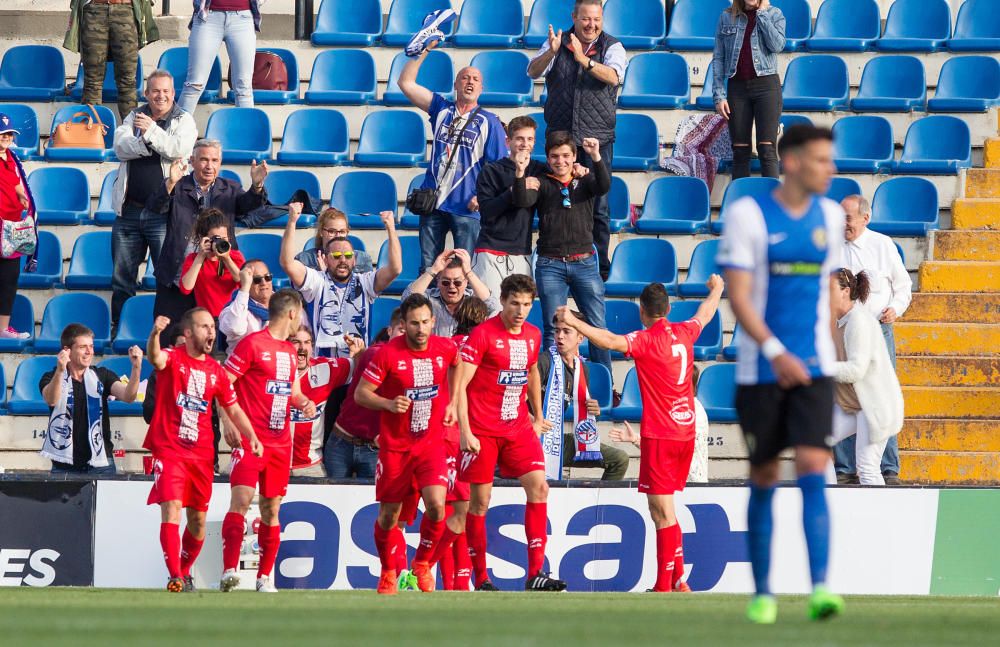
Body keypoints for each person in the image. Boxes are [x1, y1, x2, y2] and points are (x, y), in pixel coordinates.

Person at [716, 124, 845, 623]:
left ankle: (820, 589)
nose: (829, 170)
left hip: (814, 369)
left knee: (814, 468)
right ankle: (763, 592)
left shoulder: (831, 217)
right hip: (761, 371)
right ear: (791, 162)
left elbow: (824, 298)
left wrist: (825, 359)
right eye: (820, 160)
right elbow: (741, 297)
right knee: (765, 474)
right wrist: (774, 351)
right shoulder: (749, 214)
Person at [557, 276, 724, 593]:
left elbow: (607, 340)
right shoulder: (685, 332)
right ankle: (678, 580)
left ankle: (663, 587)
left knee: (660, 512)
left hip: (661, 435)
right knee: (668, 509)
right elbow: (705, 312)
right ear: (669, 309)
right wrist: (717, 289)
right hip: (685, 432)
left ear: (642, 312)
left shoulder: (646, 340)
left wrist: (570, 319)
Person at [456, 274, 567, 592]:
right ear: (502, 301)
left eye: (527, 304)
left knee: (540, 487)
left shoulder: (533, 335)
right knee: (479, 503)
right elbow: (459, 385)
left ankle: (535, 574)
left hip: (517, 427)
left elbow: (532, 371)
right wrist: (465, 430)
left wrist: (538, 413)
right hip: (482, 428)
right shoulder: (482, 335)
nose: (521, 310)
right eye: (515, 303)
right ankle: (481, 578)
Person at [144, 309, 261, 593]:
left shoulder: (216, 371)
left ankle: (183, 574)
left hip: (201, 455)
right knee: (171, 509)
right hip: (170, 449)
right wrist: (155, 334)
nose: (211, 332)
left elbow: (232, 407)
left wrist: (252, 436)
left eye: (213, 326)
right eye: (204, 327)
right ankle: (174, 575)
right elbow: (155, 358)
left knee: (197, 522)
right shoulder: (173, 358)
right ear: (188, 333)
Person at [354, 293, 460, 594]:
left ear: (433, 321)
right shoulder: (388, 353)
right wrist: (387, 404)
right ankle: (388, 570)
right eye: (414, 323)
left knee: (438, 507)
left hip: (431, 444)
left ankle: (422, 564)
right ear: (404, 324)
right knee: (389, 516)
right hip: (396, 447)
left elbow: (458, 363)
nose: (421, 329)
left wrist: (453, 400)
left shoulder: (444, 347)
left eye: (426, 322)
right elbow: (362, 393)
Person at [220, 289, 317, 594]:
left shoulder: (289, 352)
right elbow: (223, 383)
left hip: (280, 444)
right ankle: (229, 572)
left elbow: (292, 391)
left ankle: (265, 577)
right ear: (291, 313)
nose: (300, 319)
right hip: (252, 440)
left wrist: (304, 402)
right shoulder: (252, 344)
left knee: (271, 509)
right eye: (300, 313)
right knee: (242, 499)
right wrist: (226, 421)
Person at [527, 0, 628, 279]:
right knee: (556, 200)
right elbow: (532, 71)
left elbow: (614, 76)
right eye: (585, 19)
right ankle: (556, 260)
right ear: (574, 17)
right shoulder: (558, 41)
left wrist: (585, 61)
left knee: (599, 205)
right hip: (561, 139)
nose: (591, 25)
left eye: (596, 20)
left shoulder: (613, 46)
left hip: (597, 138)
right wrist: (552, 53)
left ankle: (599, 268)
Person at [397, 49, 508, 273]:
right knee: (429, 267)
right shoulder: (441, 109)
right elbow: (406, 83)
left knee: (465, 271)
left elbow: (500, 167)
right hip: (433, 203)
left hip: (466, 206)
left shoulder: (489, 122)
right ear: (456, 84)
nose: (470, 82)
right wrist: (424, 50)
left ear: (481, 89)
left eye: (476, 79)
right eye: (465, 77)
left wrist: (483, 196)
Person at [514, 132, 612, 375]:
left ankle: (604, 385)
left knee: (597, 325)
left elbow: (604, 185)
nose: (561, 161)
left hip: (585, 263)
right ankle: (552, 386)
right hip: (550, 265)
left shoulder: (585, 179)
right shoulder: (542, 181)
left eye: (566, 156)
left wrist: (596, 157)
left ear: (574, 156)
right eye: (555, 157)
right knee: (553, 327)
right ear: (548, 159)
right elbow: (522, 199)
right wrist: (520, 175)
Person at [111, 70, 198, 332]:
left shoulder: (184, 120)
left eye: (166, 91)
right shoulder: (134, 116)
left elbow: (178, 149)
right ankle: (120, 326)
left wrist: (149, 134)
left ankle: (172, 331)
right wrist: (148, 142)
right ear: (146, 94)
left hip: (165, 213)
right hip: (129, 211)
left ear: (173, 94)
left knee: (169, 276)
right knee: (122, 277)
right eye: (155, 91)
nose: (160, 96)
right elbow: (119, 147)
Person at [149, 139, 269, 324]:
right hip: (177, 275)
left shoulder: (230, 188)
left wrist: (257, 187)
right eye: (204, 160)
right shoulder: (178, 185)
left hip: (215, 281)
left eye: (214, 160)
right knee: (171, 336)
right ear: (192, 161)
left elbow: (248, 207)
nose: (209, 166)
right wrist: (170, 183)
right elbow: (156, 207)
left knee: (213, 339)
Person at [837, 194, 911, 485]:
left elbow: (903, 285)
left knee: (881, 395)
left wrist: (897, 309)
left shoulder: (882, 245)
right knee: (844, 396)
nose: (843, 224)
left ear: (865, 218)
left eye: (848, 218)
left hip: (878, 330)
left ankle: (888, 466)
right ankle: (844, 467)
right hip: (842, 329)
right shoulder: (832, 246)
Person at [281, 204, 401, 357]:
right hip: (324, 363)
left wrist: (391, 228)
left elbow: (395, 268)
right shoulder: (317, 281)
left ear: (355, 259)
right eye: (336, 256)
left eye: (348, 256)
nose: (343, 260)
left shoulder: (366, 282)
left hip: (356, 360)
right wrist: (292, 222)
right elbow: (287, 263)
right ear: (326, 258)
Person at [828, 269, 904, 486]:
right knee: (814, 441)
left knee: (868, 467)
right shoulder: (836, 321)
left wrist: (821, 368)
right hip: (853, 405)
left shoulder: (859, 321)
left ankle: (882, 518)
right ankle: (826, 500)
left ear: (845, 291)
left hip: (876, 406)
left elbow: (856, 370)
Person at [536, 311, 629, 481]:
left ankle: (602, 507)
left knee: (619, 459)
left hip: (556, 442)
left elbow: (583, 410)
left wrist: (594, 412)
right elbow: (513, 401)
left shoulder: (581, 368)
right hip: (531, 440)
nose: (560, 337)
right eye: (557, 331)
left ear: (581, 338)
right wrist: (532, 419)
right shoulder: (544, 361)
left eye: (566, 331)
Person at [40, 324, 143, 476]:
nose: (89, 352)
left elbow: (128, 396)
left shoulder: (102, 375)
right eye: (83, 347)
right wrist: (61, 371)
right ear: (66, 350)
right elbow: (51, 400)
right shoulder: (51, 377)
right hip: (65, 465)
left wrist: (136, 368)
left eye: (91, 346)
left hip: (101, 463)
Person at [473, 116, 547, 298]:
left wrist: (578, 169)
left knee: (518, 314)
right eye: (520, 138)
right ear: (508, 141)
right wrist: (515, 187)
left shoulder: (540, 170)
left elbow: (526, 201)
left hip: (521, 252)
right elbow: (487, 212)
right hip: (489, 250)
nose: (524, 144)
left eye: (530, 139)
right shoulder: (491, 170)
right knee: (490, 310)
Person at [712, 0, 786, 179]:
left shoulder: (775, 14)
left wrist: (762, 14)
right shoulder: (727, 16)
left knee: (767, 148)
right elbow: (718, 58)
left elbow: (777, 46)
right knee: (740, 150)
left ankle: (772, 205)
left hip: (766, 86)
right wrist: (719, 95)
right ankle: (739, 202)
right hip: (737, 89)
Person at [329, 310, 405, 479]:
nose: (403, 336)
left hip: (373, 448)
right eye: (401, 330)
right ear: (389, 331)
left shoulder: (410, 363)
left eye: (408, 333)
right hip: (342, 442)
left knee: (372, 503)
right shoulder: (375, 353)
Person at [613, 364, 711, 484]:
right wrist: (636, 439)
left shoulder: (693, 412)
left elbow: (670, 447)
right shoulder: (675, 407)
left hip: (689, 484)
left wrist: (640, 440)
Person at [289, 325, 363, 478]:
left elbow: (361, 368)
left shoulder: (326, 369)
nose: (302, 347)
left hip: (310, 466)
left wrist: (359, 352)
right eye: (296, 342)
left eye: (307, 342)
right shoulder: (271, 369)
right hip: (273, 464)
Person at [64, 0, 159, 119]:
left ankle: (131, 133)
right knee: (92, 82)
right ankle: (90, 132)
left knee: (127, 81)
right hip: (94, 9)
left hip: (126, 9)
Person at [177, 0, 263, 113]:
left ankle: (247, 130)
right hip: (207, 17)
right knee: (194, 84)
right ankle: (176, 130)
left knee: (244, 86)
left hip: (243, 18)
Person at [403, 249, 500, 337]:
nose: (452, 286)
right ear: (438, 281)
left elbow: (493, 306)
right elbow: (407, 299)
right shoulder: (428, 299)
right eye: (446, 282)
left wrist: (469, 273)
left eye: (457, 282)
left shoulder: (473, 300)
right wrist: (433, 270)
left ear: (466, 282)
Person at [0, 113, 34, 340]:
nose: (7, 137)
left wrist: (23, 198)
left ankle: (2, 328)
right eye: (3, 133)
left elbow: (16, 185)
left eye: (10, 133)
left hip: (11, 227)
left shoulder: (12, 158)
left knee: (9, 279)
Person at [179, 208, 246, 318]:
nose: (220, 242)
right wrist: (200, 256)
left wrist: (227, 259)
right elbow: (186, 289)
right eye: (215, 238)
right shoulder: (194, 259)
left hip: (233, 317)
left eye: (224, 238)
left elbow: (244, 284)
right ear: (203, 238)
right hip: (209, 320)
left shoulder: (235, 257)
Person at [218, 259, 274, 353]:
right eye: (257, 279)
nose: (263, 283)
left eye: (267, 277)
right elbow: (235, 328)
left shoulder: (283, 303)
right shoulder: (232, 310)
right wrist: (244, 288)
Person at [294, 208, 374, 274]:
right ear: (321, 232)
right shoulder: (303, 259)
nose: (338, 236)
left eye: (342, 231)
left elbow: (366, 290)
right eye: (332, 231)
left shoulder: (362, 258)